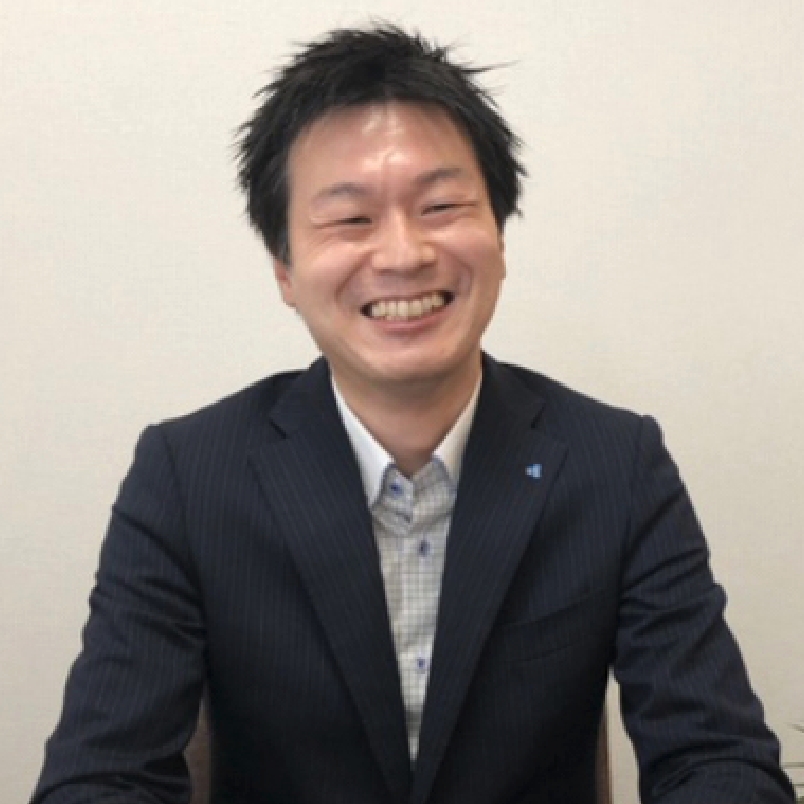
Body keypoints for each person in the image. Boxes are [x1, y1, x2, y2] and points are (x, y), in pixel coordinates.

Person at [31, 24, 794, 804]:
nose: (403, 254)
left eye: (441, 206)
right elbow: (102, 776)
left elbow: (718, 759)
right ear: (285, 270)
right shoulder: (188, 477)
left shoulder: (616, 465)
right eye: (351, 219)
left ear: (499, 234)